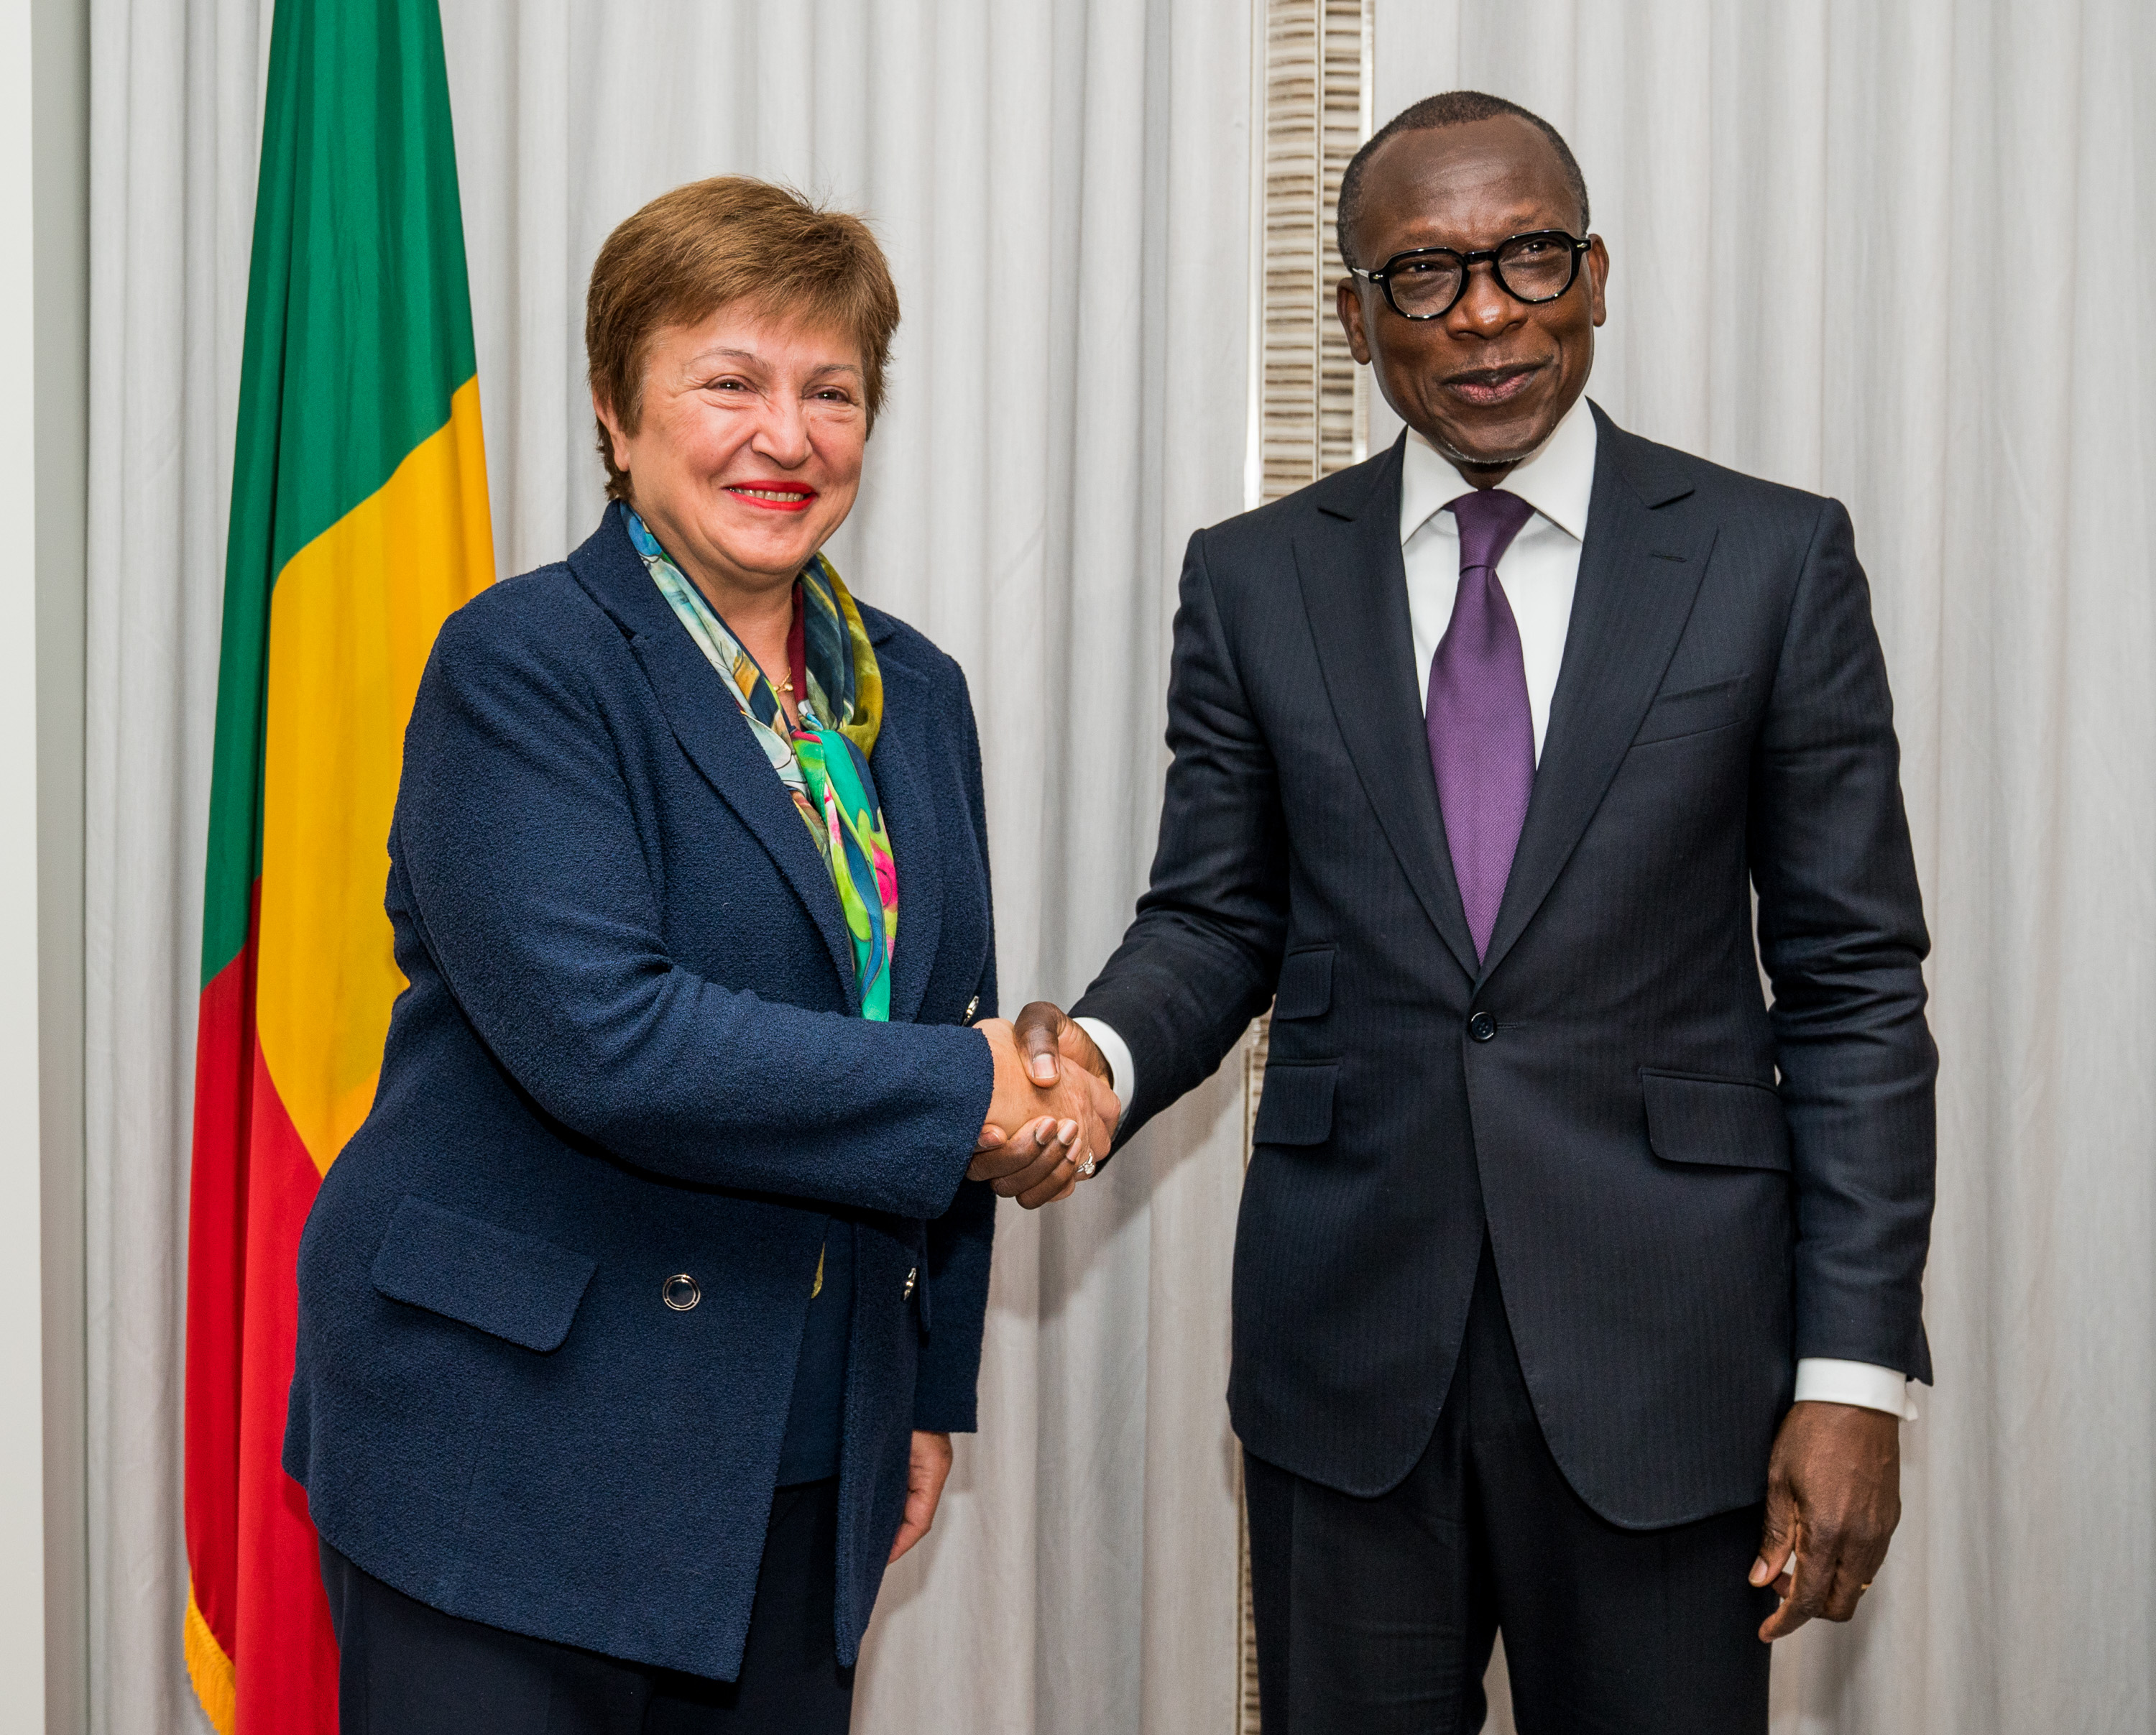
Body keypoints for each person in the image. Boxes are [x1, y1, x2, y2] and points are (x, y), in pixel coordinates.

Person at [996, 91, 1935, 1732]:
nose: (1488, 308)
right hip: (1351, 1367)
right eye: (1425, 276)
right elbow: (1218, 919)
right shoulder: (1252, 575)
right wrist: (1097, 1064)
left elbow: (1855, 985)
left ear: (1596, 276)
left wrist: (1850, 1375)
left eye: (1530, 258)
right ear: (1357, 320)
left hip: (1673, 1367)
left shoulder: (1770, 562)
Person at [283, 176, 1118, 1734]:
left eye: (832, 391)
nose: (784, 437)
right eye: (729, 382)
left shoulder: (911, 693)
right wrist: (975, 1085)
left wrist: (916, 1395)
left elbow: (942, 1014)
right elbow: (613, 1038)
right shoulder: (524, 663)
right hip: (510, 1444)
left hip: (802, 1441)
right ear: (615, 411)